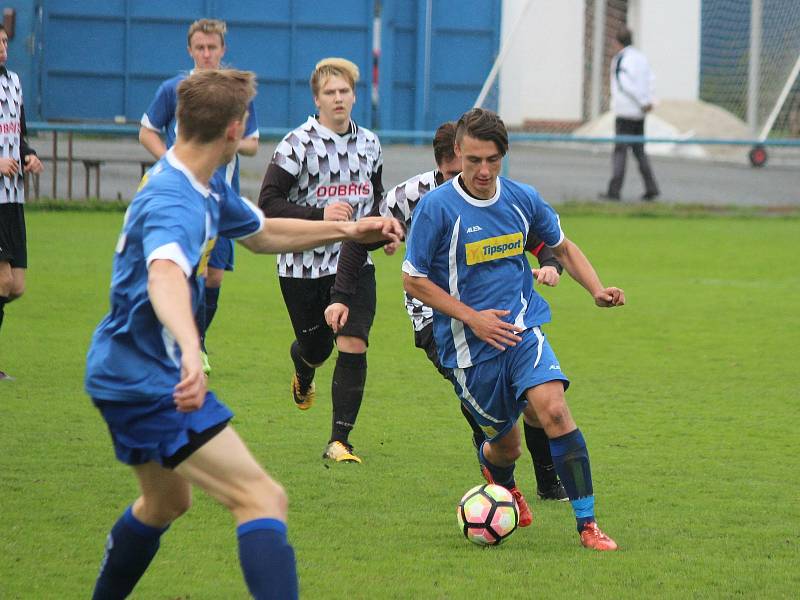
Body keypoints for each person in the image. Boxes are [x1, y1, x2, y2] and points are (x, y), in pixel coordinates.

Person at [85, 69, 402, 599]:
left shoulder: (197, 182)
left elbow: (262, 232)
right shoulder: (175, 198)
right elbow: (163, 274)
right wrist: (190, 348)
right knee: (262, 498)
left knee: (166, 503)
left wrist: (348, 228)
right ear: (235, 131)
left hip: (122, 366)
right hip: (147, 377)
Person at [403, 108, 625, 551]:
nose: (483, 171)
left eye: (493, 160)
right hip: (469, 350)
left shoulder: (523, 199)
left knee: (556, 411)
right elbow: (413, 279)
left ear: (504, 155)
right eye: (473, 161)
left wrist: (596, 289)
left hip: (523, 331)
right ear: (458, 154)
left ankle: (587, 526)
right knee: (507, 450)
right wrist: (472, 317)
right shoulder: (437, 209)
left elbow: (562, 246)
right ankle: (501, 480)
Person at [327, 122, 568, 509]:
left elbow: (536, 237)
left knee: (532, 395)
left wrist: (550, 262)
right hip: (433, 320)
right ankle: (498, 484)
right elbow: (360, 238)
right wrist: (340, 296)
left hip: (498, 313)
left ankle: (545, 480)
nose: (476, 179)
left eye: (483, 164)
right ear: (443, 164)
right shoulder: (414, 197)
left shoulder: (498, 192)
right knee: (482, 396)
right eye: (461, 171)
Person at [258, 57, 383, 464]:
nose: (338, 98)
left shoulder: (370, 144)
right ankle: (303, 364)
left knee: (353, 342)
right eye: (330, 92)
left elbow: (376, 199)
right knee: (317, 348)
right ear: (317, 98)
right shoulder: (297, 145)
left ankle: (339, 441)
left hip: (353, 263)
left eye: (344, 91)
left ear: (354, 95)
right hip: (302, 267)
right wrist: (319, 215)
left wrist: (383, 232)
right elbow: (268, 205)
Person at [139, 18, 259, 374]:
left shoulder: (236, 93)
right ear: (190, 50)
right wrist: (172, 162)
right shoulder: (176, 89)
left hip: (221, 196)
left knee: (215, 276)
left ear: (223, 50)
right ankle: (193, 346)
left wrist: (230, 139)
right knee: (192, 272)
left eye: (212, 48)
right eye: (200, 48)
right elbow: (147, 130)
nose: (206, 54)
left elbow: (252, 144)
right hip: (184, 198)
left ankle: (191, 339)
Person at [0, 23, 44, 381]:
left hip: (13, 196)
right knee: (1, 282)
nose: (1, 47)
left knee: (16, 286)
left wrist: (28, 155)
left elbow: (19, 132)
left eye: (3, 41)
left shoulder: (13, 82)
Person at [600, 25, 660, 202]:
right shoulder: (641, 58)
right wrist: (648, 102)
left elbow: (625, 85)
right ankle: (651, 188)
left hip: (626, 111)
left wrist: (641, 102)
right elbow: (651, 80)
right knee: (640, 150)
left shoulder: (620, 59)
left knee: (620, 151)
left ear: (618, 42)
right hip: (640, 112)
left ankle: (614, 191)